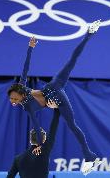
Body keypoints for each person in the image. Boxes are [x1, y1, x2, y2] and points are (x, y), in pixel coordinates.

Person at [7, 20, 102, 175]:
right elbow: (36, 126)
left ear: (21, 94)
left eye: (15, 99)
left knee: (71, 61)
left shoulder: (23, 87)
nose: (13, 102)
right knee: (72, 126)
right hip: (55, 96)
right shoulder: (27, 106)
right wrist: (38, 144)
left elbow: (25, 67)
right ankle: (90, 157)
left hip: (54, 89)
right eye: (12, 100)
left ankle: (89, 33)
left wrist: (30, 48)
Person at [7, 109, 60, 178]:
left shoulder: (18, 159)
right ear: (43, 140)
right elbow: (53, 129)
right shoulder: (44, 151)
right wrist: (57, 110)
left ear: (30, 140)